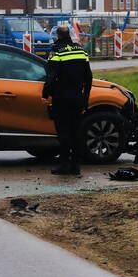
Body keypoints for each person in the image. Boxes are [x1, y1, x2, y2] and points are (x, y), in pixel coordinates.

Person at [43, 24, 93, 176]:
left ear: (58, 36)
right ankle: (75, 165)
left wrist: (45, 93)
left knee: (63, 132)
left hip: (61, 99)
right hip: (77, 98)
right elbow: (88, 77)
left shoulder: (57, 51)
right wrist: (85, 97)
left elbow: (51, 76)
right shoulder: (81, 51)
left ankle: (64, 165)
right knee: (76, 131)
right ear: (69, 35)